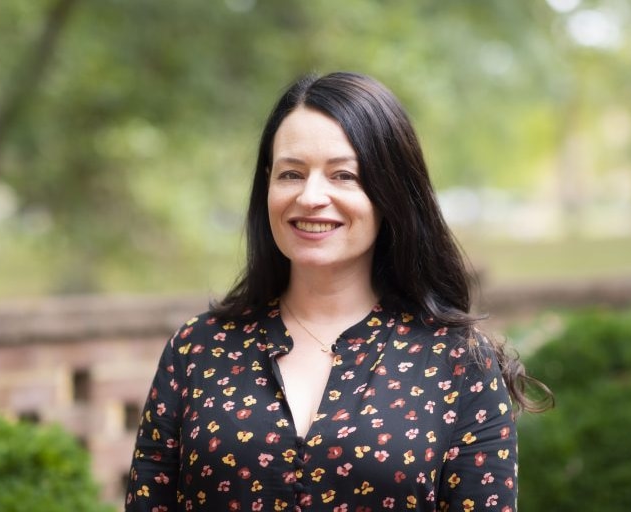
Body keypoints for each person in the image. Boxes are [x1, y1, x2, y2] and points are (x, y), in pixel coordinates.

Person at [125, 71, 551, 512]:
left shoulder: (457, 362)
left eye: (343, 175)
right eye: (291, 173)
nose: (311, 197)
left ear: (390, 192)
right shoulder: (199, 349)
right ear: (267, 185)